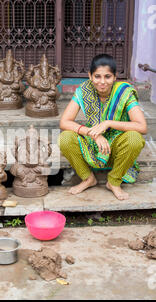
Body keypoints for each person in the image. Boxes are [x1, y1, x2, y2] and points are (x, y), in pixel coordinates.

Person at [59, 54, 147, 201]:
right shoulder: (84, 91)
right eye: (97, 76)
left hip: (118, 145)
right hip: (93, 144)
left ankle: (113, 181)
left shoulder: (124, 92)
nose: (102, 82)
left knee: (135, 139)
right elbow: (65, 122)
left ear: (115, 77)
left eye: (107, 76)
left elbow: (142, 126)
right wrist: (92, 133)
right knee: (65, 138)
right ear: (90, 76)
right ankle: (88, 179)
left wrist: (108, 123)